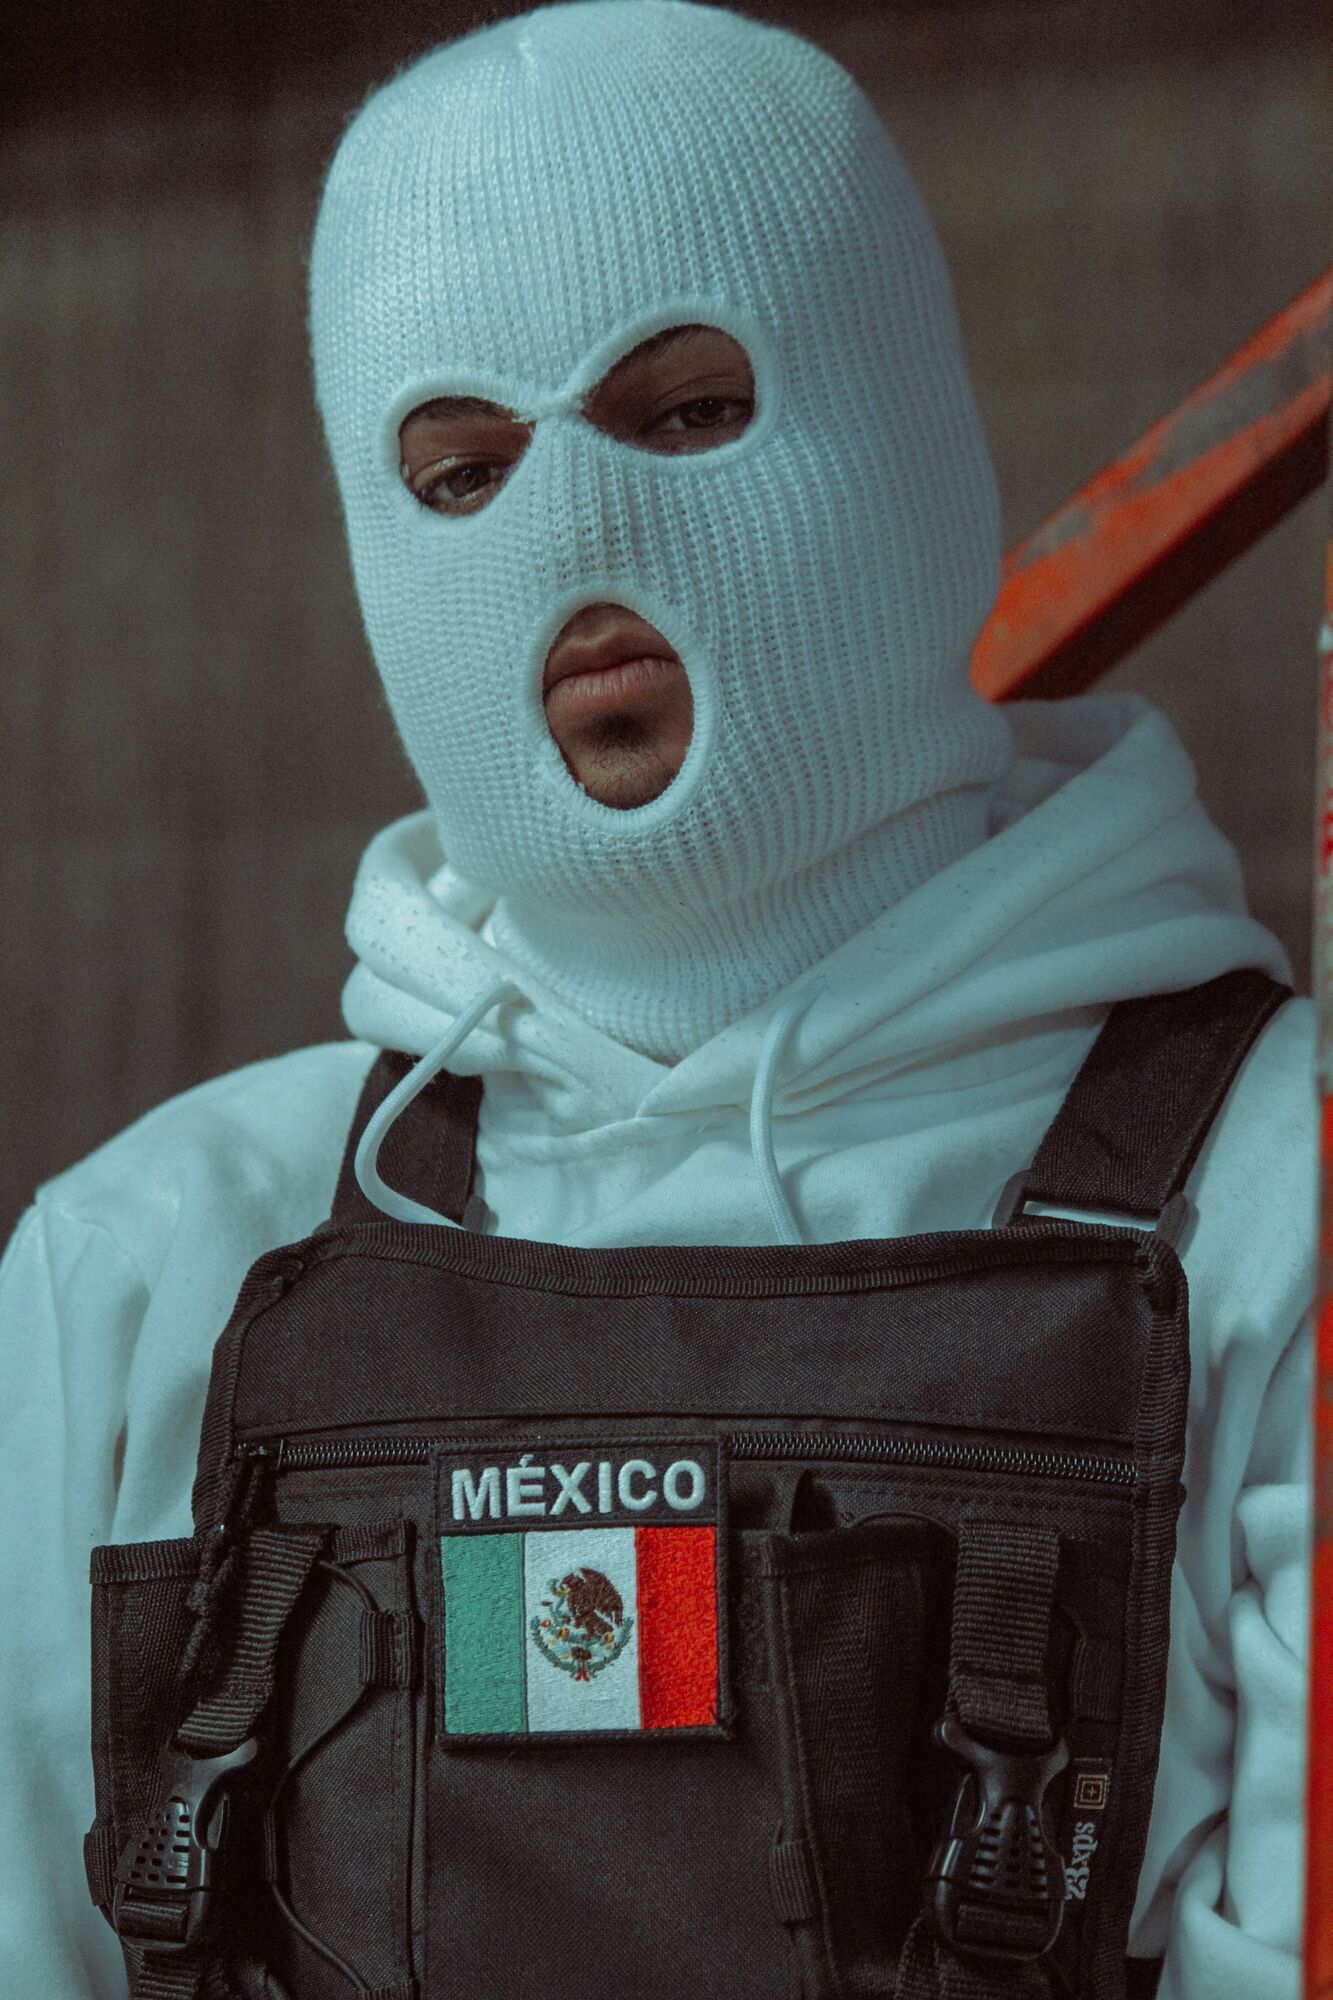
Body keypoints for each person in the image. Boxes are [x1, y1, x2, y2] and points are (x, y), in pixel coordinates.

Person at [0, 3, 1310, 1997]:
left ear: (908, 428)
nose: (576, 533)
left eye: (684, 410)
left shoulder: (1280, 1214)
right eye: (460, 465)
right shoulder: (155, 1256)